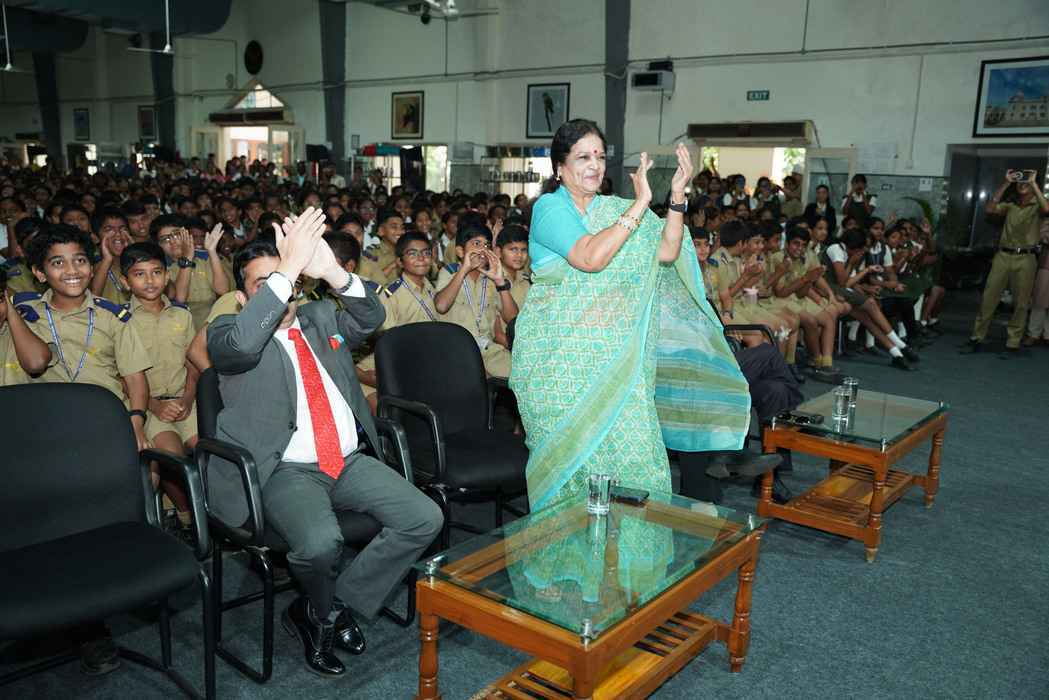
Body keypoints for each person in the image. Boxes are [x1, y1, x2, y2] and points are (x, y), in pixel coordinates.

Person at [206, 208, 442, 678]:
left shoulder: (318, 317)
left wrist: (331, 272)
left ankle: (324, 609)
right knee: (319, 544)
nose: (281, 291)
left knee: (424, 517)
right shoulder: (228, 334)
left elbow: (373, 315)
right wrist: (288, 267)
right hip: (284, 471)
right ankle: (324, 609)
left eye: (287, 281)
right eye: (263, 284)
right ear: (242, 297)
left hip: (347, 461)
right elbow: (241, 346)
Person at [509, 119, 750, 515]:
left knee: (635, 464)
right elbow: (589, 257)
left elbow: (667, 251)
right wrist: (640, 205)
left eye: (599, 156)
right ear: (560, 167)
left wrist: (676, 197)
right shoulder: (550, 209)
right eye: (583, 157)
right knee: (572, 477)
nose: (594, 165)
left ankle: (624, 554)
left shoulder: (613, 210)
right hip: (558, 364)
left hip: (615, 362)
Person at [19, 223, 152, 676]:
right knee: (50, 526)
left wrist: (136, 422)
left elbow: (135, 378)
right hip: (40, 436)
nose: (72, 270)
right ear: (39, 272)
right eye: (57, 262)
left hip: (102, 432)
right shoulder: (22, 314)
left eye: (79, 260)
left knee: (104, 523)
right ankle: (74, 619)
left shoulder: (114, 315)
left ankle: (100, 609)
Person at [120, 241, 199, 541]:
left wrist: (188, 398)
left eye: (156, 272)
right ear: (126, 282)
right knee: (171, 456)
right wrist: (153, 405)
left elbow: (193, 363)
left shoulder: (182, 315)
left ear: (167, 276)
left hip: (185, 400)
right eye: (139, 274)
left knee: (208, 450)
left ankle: (218, 515)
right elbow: (123, 376)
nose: (150, 280)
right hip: (148, 406)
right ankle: (189, 519)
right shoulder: (121, 320)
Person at [962, 170, 1049, 355]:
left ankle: (1013, 342)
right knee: (989, 298)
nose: (1022, 183)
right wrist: (1006, 183)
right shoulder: (1010, 205)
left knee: (1021, 302)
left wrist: (1034, 184)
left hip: (1026, 258)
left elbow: (1047, 209)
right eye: (1020, 181)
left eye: (1026, 181)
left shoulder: (1038, 205)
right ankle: (977, 337)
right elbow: (990, 209)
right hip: (1002, 256)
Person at [822, 228, 919, 370]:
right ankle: (901, 345)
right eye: (862, 248)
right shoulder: (836, 249)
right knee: (871, 303)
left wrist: (863, 270)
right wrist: (853, 264)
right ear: (855, 246)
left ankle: (896, 354)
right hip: (828, 288)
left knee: (866, 318)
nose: (863, 251)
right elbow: (842, 282)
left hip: (840, 290)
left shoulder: (848, 253)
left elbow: (847, 282)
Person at [434, 223, 518, 378]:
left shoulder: (490, 278)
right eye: (477, 244)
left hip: (488, 350)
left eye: (487, 245)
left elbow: (512, 318)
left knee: (520, 375)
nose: (483, 250)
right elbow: (441, 306)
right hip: (457, 352)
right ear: (460, 251)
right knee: (481, 379)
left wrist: (500, 282)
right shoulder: (449, 273)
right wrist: (464, 270)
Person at [358, 209, 404, 285]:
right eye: (394, 227)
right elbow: (366, 284)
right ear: (381, 231)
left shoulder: (406, 251)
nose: (400, 232)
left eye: (402, 228)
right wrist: (393, 265)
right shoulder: (371, 253)